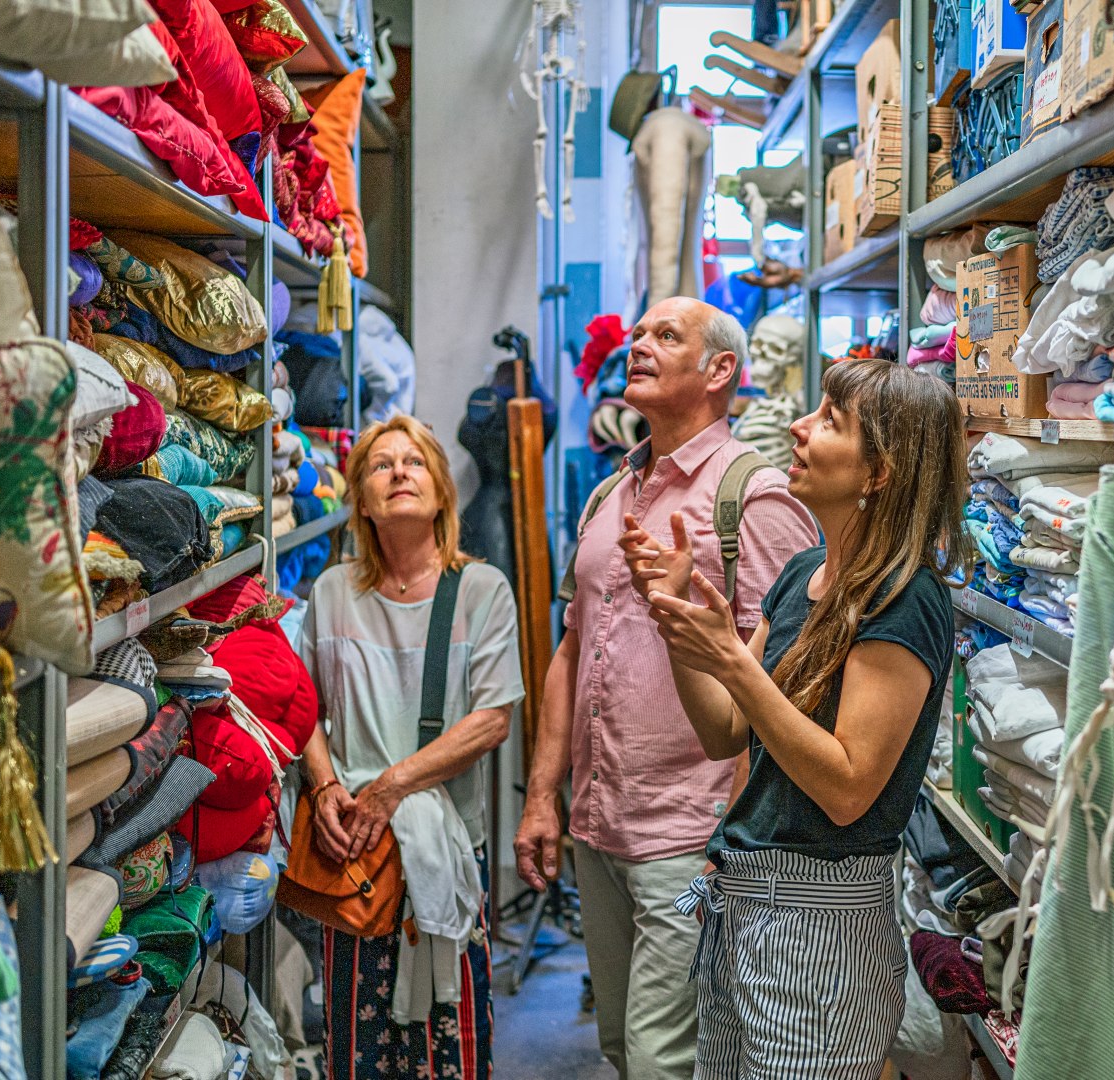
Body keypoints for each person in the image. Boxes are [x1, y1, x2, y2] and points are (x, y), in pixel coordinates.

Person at [619, 358, 972, 1078]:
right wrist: (679, 621)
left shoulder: (905, 599)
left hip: (821, 928)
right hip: (749, 906)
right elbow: (725, 728)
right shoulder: (803, 572)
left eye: (831, 422)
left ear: (880, 473)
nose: (799, 427)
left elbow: (848, 787)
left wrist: (735, 661)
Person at [514, 296, 818, 1079]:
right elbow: (572, 650)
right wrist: (544, 795)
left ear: (720, 370)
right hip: (601, 824)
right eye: (638, 333)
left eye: (665, 336)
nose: (638, 345)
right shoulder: (609, 496)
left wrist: (741, 840)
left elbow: (787, 678)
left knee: (663, 1060)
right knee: (620, 1047)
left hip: (694, 834)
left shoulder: (752, 496)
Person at [295, 415, 524, 1080]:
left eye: (415, 462)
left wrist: (391, 786)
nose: (399, 472)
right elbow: (303, 707)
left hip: (443, 845)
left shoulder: (481, 590)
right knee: (356, 1046)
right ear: (361, 501)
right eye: (380, 465)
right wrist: (325, 785)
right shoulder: (333, 590)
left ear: (443, 492)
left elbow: (491, 719)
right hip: (356, 850)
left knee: (446, 1047)